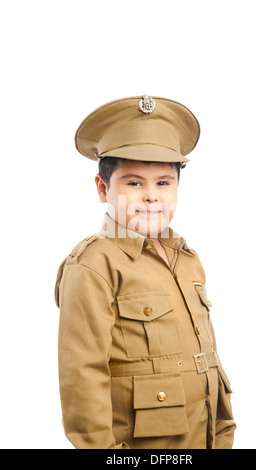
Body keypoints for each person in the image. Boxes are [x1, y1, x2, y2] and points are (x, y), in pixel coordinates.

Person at [54, 94, 236, 449]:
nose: (152, 197)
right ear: (103, 188)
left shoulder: (187, 259)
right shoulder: (94, 265)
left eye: (164, 183)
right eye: (135, 183)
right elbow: (82, 377)